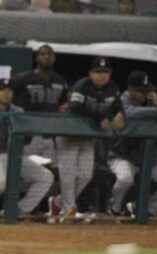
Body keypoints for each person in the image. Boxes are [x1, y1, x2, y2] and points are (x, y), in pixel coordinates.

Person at [49, 56, 124, 223]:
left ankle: (58, 202)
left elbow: (117, 107)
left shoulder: (113, 87)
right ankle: (68, 211)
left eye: (106, 72)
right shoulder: (82, 85)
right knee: (68, 175)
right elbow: (75, 108)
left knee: (85, 175)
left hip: (88, 137)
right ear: (91, 73)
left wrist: (119, 115)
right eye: (98, 72)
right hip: (69, 134)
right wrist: (102, 117)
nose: (102, 75)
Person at [0, 78, 54, 223]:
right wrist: (14, 131)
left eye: (9, 90)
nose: (6, 93)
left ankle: (17, 210)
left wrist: (25, 134)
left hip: (14, 154)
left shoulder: (18, 111)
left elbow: (26, 138)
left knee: (45, 177)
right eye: (2, 90)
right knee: (1, 182)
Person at [107, 71, 157, 219]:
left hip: (148, 159)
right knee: (125, 179)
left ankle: (143, 207)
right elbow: (130, 112)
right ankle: (115, 208)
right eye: (141, 91)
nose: (145, 94)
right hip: (123, 157)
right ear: (131, 88)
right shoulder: (123, 98)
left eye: (147, 90)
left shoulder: (151, 101)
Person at [10, 44, 69, 161]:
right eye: (43, 54)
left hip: (49, 135)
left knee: (50, 171)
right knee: (25, 171)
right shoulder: (22, 80)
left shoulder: (61, 81)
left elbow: (63, 106)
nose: (47, 57)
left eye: (50, 54)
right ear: (37, 58)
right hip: (29, 135)